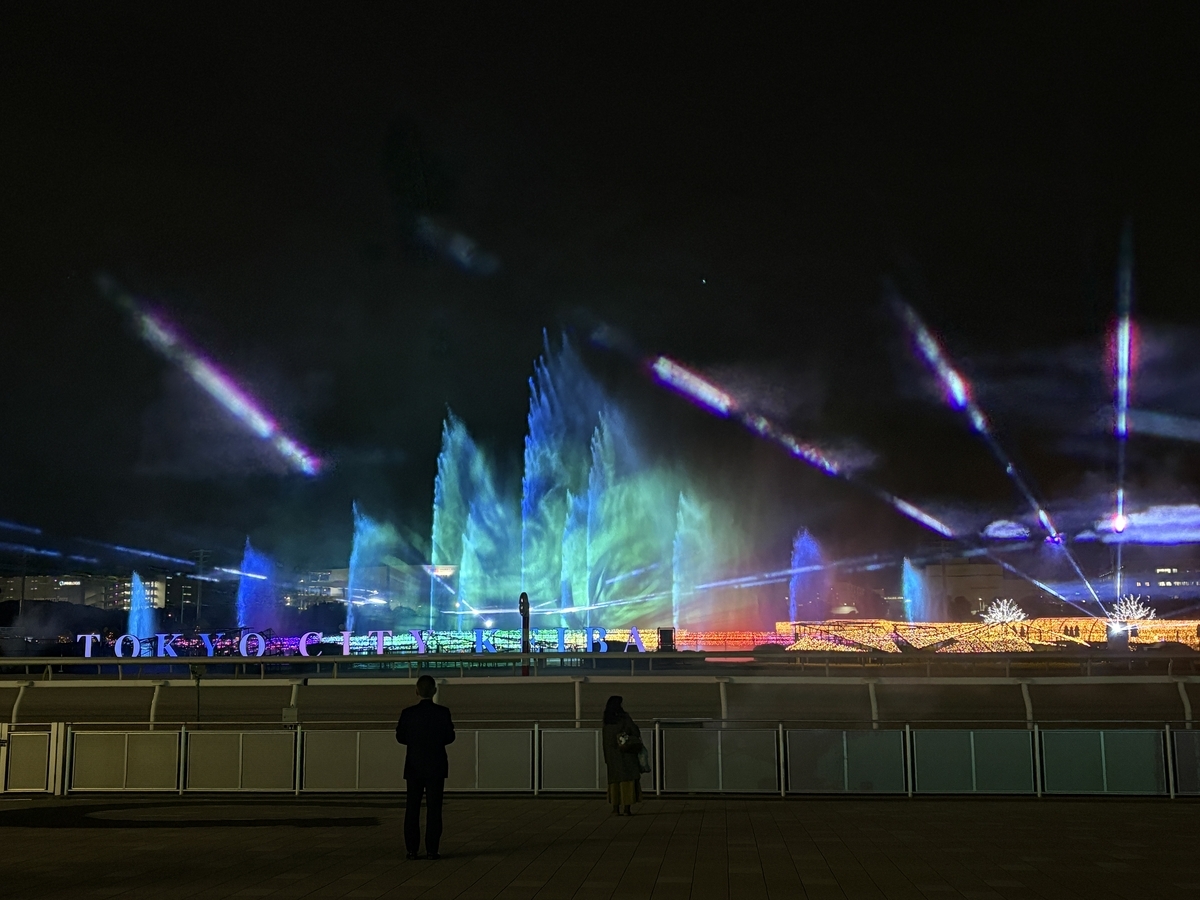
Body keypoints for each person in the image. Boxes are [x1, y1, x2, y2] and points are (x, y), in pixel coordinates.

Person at [396, 674, 456, 859]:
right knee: (434, 809)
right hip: (436, 765)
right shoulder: (443, 712)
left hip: (414, 765)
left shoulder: (408, 713)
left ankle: (412, 849)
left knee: (412, 808)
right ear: (434, 691)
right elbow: (450, 737)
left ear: (417, 691)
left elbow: (400, 737)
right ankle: (432, 849)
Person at [601, 695, 643, 815]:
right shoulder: (624, 718)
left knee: (614, 783)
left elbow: (605, 741)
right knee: (627, 782)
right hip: (626, 754)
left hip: (612, 757)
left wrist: (607, 758)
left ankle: (615, 808)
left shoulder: (607, 720)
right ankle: (626, 809)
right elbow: (635, 732)